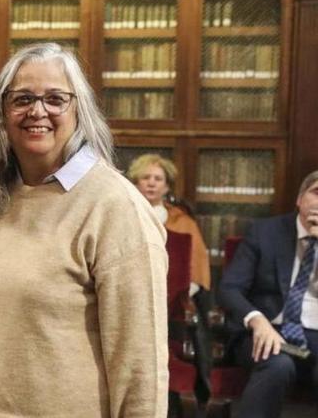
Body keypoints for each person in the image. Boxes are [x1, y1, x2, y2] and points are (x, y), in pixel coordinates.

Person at [0, 43, 168, 417]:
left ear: (79, 109)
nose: (37, 111)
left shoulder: (115, 207)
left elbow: (140, 365)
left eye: (55, 99)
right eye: (22, 99)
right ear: (2, 111)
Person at [217, 171, 318, 418]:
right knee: (277, 364)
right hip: (267, 329)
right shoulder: (265, 232)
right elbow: (229, 288)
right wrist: (257, 319)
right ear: (299, 199)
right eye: (317, 193)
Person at [128, 153, 211, 294]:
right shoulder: (122, 216)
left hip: (174, 300)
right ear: (135, 183)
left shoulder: (183, 222)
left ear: (167, 187)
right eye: (146, 177)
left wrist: (178, 297)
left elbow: (198, 269)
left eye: (158, 179)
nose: (151, 183)